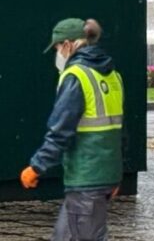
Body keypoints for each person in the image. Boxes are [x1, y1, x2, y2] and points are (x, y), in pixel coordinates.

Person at [21, 18, 124, 241]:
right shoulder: (112, 75)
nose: (57, 53)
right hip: (103, 175)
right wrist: (116, 175)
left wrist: (37, 166)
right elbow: (119, 132)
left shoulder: (76, 76)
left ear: (68, 44)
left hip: (86, 176)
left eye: (57, 48)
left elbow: (60, 131)